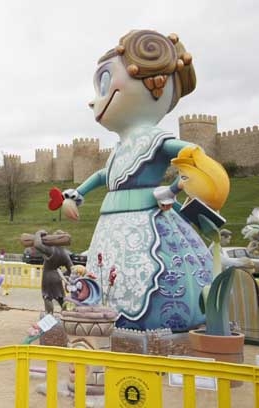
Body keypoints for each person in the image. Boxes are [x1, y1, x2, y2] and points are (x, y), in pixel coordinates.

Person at [61, 30, 222, 332]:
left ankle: (153, 327)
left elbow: (183, 151)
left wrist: (196, 159)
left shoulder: (154, 139)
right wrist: (76, 195)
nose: (94, 100)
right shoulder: (121, 148)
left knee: (150, 275)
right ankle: (106, 316)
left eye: (105, 83)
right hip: (111, 226)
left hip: (148, 223)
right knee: (107, 276)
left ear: (155, 85)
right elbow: (102, 176)